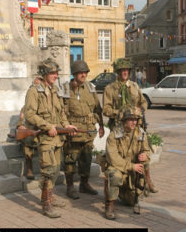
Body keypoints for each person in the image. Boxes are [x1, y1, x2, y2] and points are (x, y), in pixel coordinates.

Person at [24, 58, 77, 218]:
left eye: (56, 73)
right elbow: (29, 115)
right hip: (45, 137)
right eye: (53, 73)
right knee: (48, 171)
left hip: (56, 138)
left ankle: (51, 196)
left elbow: (60, 113)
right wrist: (48, 127)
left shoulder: (54, 89)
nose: (56, 75)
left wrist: (66, 126)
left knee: (54, 170)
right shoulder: (34, 91)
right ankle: (45, 203)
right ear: (44, 74)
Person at [103, 58, 157, 194]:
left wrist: (141, 110)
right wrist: (120, 113)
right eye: (121, 70)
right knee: (120, 152)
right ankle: (118, 178)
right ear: (117, 72)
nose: (124, 73)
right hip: (118, 126)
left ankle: (147, 180)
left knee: (142, 152)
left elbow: (143, 102)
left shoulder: (134, 86)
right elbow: (106, 109)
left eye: (126, 70)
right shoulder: (110, 89)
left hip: (136, 124)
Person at [62, 60, 104, 200]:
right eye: (80, 72)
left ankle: (84, 184)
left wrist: (102, 126)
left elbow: (98, 108)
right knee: (70, 159)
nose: (83, 75)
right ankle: (70, 187)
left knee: (86, 158)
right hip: (73, 131)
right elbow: (61, 110)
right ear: (74, 74)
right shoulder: (66, 89)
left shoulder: (91, 88)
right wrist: (66, 127)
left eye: (85, 72)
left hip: (88, 131)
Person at [104, 105, 150, 220]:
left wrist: (146, 156)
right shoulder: (114, 135)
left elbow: (147, 150)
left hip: (133, 170)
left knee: (130, 202)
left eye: (135, 119)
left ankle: (120, 191)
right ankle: (109, 205)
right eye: (130, 119)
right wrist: (131, 166)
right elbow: (113, 158)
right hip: (118, 167)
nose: (134, 122)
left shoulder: (141, 134)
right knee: (114, 176)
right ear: (123, 120)